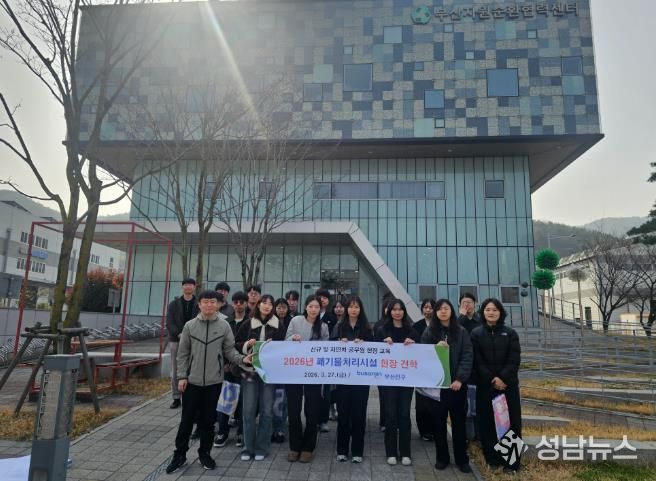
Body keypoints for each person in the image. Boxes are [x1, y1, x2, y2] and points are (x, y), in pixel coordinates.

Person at [165, 290, 250, 474]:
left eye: (213, 302)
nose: (209, 305)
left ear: (218, 304)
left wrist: (242, 359)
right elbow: (182, 354)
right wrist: (182, 376)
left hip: (214, 383)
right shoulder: (190, 326)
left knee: (208, 421)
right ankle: (179, 455)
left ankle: (205, 454)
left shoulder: (224, 326)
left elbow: (230, 351)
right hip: (192, 382)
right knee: (186, 421)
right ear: (199, 304)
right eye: (206, 302)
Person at [420, 299, 473, 474]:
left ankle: (462, 459)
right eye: (439, 309)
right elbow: (423, 356)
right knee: (438, 424)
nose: (443, 311)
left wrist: (460, 379)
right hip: (438, 387)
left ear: (451, 311)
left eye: (446, 308)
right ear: (435, 312)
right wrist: (435, 348)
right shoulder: (429, 332)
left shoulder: (461, 331)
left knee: (459, 424)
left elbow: (467, 356)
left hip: (457, 386)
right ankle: (442, 458)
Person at [471, 298, 522, 473]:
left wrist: (502, 378)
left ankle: (511, 463)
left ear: (500, 312)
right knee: (487, 423)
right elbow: (476, 360)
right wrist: (492, 379)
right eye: (487, 309)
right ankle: (492, 459)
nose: (491, 312)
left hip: (508, 386)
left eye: (494, 309)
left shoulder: (510, 333)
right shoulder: (476, 334)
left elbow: (514, 359)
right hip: (486, 386)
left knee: (511, 423)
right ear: (483, 312)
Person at [235, 295, 286, 461]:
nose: (267, 306)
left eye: (270, 304)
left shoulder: (279, 325)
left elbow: (284, 348)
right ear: (258, 305)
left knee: (267, 411)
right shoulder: (248, 323)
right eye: (264, 303)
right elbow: (236, 344)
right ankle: (247, 448)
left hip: (269, 374)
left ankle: (262, 447)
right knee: (248, 411)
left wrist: (274, 346)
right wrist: (248, 345)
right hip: (249, 372)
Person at [285, 295, 329, 463]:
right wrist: (292, 339)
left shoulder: (323, 326)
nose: (313, 309)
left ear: (320, 309)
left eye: (316, 307)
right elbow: (285, 340)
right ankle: (294, 446)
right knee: (293, 411)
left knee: (312, 411)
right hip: (294, 372)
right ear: (305, 307)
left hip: (313, 374)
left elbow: (326, 349)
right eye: (310, 306)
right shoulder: (295, 321)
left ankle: (308, 447)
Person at [375, 298, 417, 466]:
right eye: (394, 309)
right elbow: (374, 352)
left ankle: (406, 452)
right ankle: (391, 452)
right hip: (388, 379)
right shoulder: (382, 330)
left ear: (404, 311)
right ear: (389, 311)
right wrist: (383, 344)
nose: (397, 312)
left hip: (407, 380)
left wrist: (413, 344)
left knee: (405, 414)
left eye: (400, 309)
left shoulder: (411, 331)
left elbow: (420, 353)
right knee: (390, 415)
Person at [334, 296, 373, 464]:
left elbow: (374, 349)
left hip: (361, 380)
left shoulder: (367, 328)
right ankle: (342, 450)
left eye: (356, 307)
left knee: (359, 416)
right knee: (343, 415)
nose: (353, 309)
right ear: (346, 309)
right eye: (350, 306)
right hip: (343, 379)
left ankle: (357, 451)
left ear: (360, 309)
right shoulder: (339, 326)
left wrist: (364, 344)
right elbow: (329, 347)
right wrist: (339, 342)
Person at [214, 291, 249, 449]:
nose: (239, 305)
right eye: (236, 302)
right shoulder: (226, 322)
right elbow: (222, 345)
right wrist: (225, 363)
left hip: (245, 368)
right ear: (232, 304)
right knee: (226, 400)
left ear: (246, 304)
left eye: (242, 302)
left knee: (243, 402)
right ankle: (223, 432)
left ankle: (241, 432)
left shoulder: (251, 322)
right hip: (228, 367)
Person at [166, 278, 199, 409]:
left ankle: (190, 396)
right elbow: (169, 322)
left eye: (191, 285)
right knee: (175, 369)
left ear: (194, 287)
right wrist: (179, 334)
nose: (188, 287)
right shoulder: (173, 304)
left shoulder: (199, 303)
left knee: (193, 368)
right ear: (182, 287)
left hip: (195, 340)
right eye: (186, 285)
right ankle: (176, 397)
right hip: (176, 340)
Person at [457, 292, 482, 442]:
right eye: (464, 302)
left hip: (479, 367)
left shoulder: (481, 320)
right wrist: (462, 316)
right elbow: (455, 333)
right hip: (465, 367)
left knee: (479, 402)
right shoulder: (458, 321)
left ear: (475, 304)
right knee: (465, 403)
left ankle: (479, 435)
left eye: (470, 302)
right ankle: (468, 435)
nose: (467, 305)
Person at [413, 299, 435, 442]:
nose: (428, 310)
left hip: (436, 369)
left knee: (435, 401)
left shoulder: (440, 326)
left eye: (431, 307)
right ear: (422, 310)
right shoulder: (416, 326)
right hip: (420, 369)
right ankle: (424, 431)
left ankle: (434, 429)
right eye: (426, 307)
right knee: (421, 402)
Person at [316, 288, 336, 433]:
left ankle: (323, 420)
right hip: (311, 360)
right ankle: (313, 419)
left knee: (326, 391)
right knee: (313, 392)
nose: (322, 300)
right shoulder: (309, 315)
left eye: (325, 298)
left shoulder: (332, 318)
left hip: (327, 359)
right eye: (320, 297)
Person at [272, 298, 292, 444]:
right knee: (273, 398)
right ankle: (273, 427)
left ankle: (280, 428)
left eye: (284, 307)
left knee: (283, 398)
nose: (281, 310)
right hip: (273, 366)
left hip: (288, 367)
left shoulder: (292, 322)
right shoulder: (271, 322)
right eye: (278, 307)